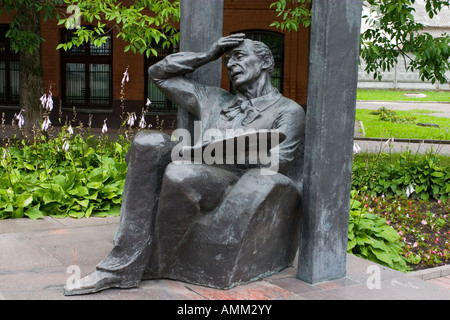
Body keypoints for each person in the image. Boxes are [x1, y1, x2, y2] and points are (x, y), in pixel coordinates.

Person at [63, 34, 305, 295]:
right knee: (148, 141)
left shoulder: (287, 111)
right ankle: (122, 262)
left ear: (266, 61)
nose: (232, 65)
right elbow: (159, 75)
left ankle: (150, 263)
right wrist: (205, 55)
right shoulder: (213, 98)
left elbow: (280, 162)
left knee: (181, 174)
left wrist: (229, 150)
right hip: (199, 162)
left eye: (240, 57)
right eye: (227, 61)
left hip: (236, 182)